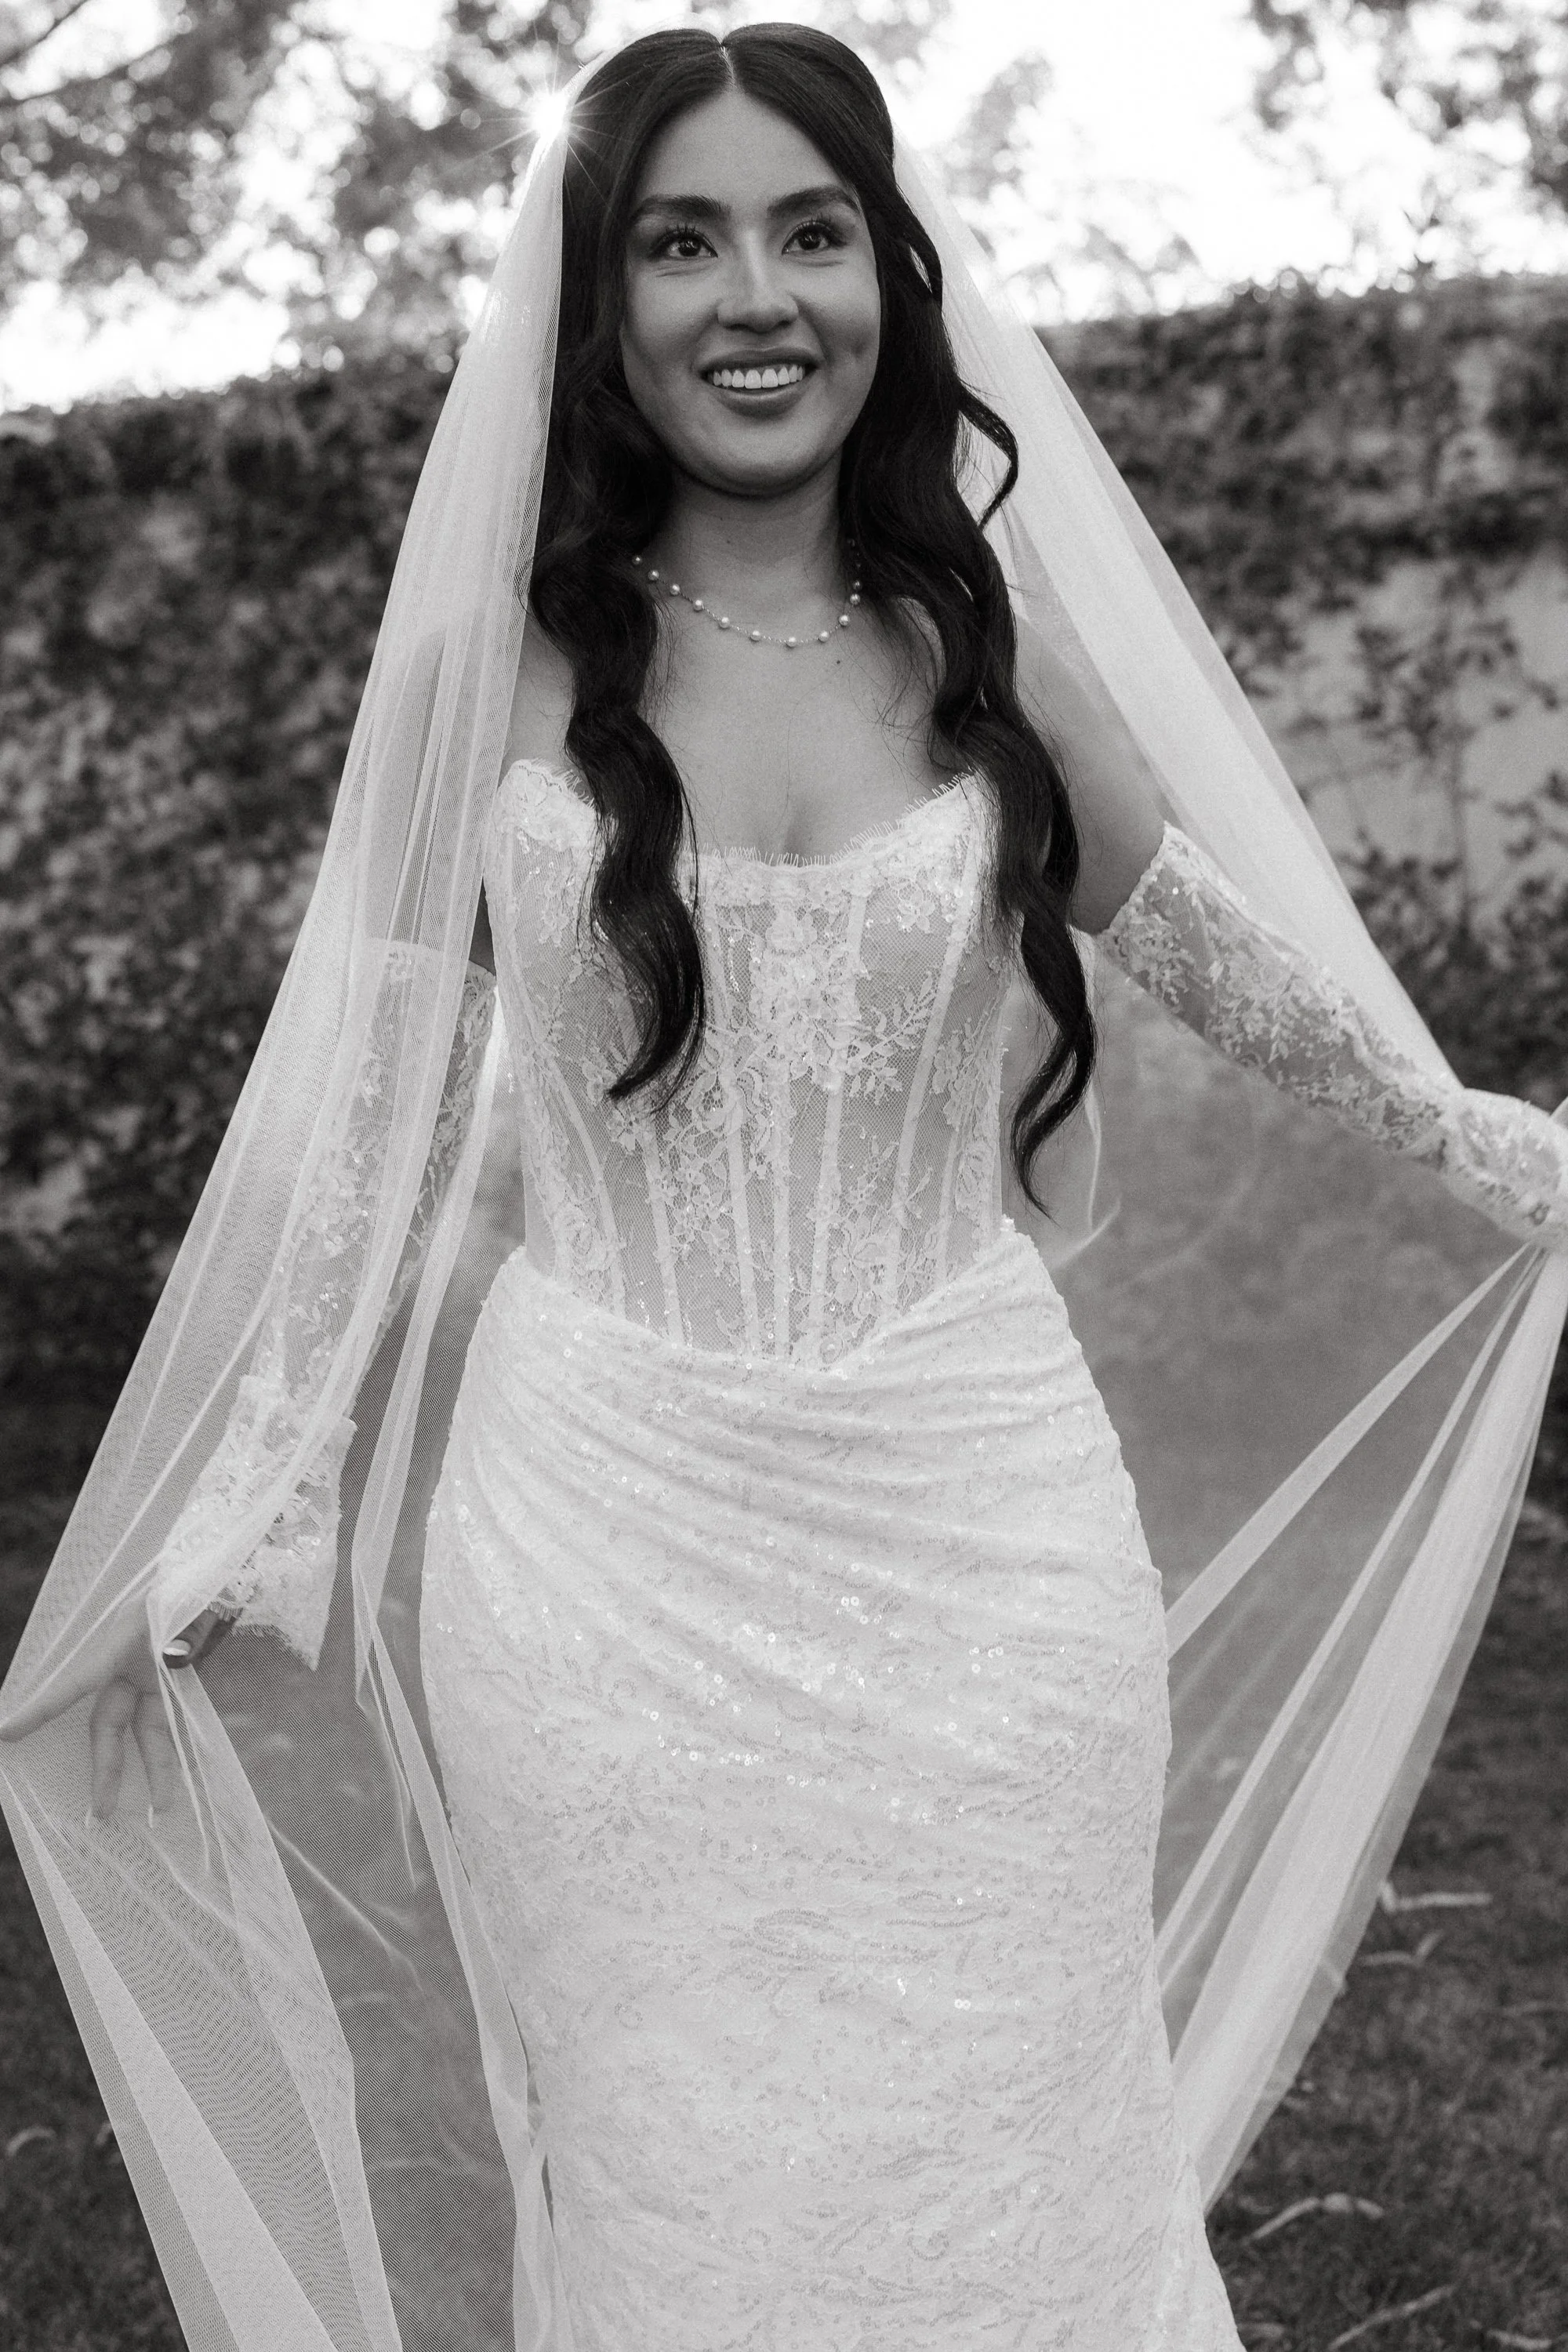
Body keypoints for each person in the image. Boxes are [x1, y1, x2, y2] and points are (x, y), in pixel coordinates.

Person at [4, 24, 1566, 2352]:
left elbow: (1206, 942)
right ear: (603, 303)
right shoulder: (485, 679)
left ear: (885, 274)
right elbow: (373, 1118)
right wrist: (271, 1473)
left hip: (984, 1539)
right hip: (596, 1564)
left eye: (811, 229)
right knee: (680, 2173)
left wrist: (1461, 1131)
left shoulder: (975, 650)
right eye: (685, 237)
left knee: (1022, 2150)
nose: (760, 293)